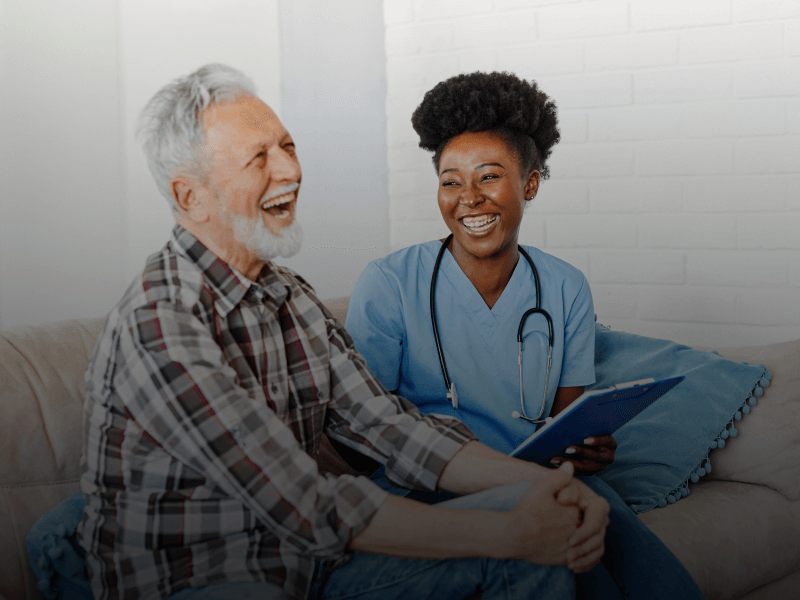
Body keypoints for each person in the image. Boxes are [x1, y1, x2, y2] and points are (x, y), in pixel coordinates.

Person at [78, 63, 614, 600]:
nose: (289, 171)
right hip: (203, 578)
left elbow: (392, 428)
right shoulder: (160, 322)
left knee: (552, 526)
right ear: (190, 196)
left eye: (287, 147)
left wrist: (547, 487)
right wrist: (509, 534)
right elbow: (303, 499)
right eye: (258, 158)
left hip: (308, 563)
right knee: (520, 538)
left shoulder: (293, 298)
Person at [345, 71, 705, 599]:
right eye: (450, 180)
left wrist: (585, 450)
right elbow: (360, 434)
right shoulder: (390, 283)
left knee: (603, 525)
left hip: (542, 477)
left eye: (488, 176)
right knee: (569, 524)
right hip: (431, 487)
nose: (468, 198)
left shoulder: (564, 287)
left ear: (529, 184)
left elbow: (566, 419)